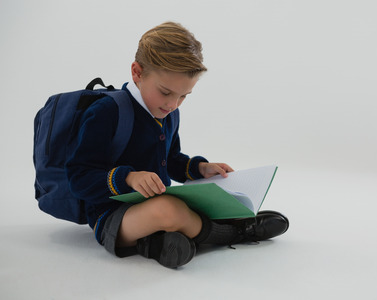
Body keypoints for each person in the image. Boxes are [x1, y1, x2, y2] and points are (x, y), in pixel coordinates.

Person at [66, 22, 289, 268]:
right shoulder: (106, 112)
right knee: (168, 210)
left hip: (156, 202)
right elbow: (78, 177)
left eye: (184, 96)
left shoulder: (167, 113)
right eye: (165, 92)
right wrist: (129, 178)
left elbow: (171, 159)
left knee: (205, 199)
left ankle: (155, 244)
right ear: (137, 73)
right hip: (113, 216)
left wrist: (199, 168)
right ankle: (233, 233)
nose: (173, 104)